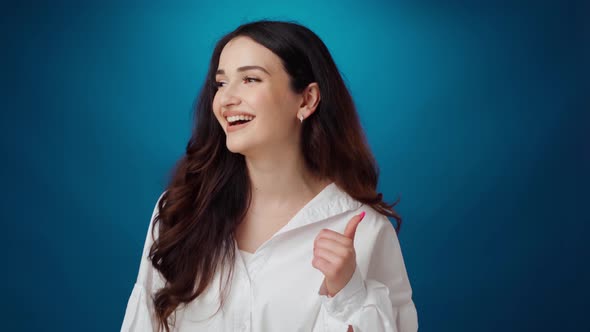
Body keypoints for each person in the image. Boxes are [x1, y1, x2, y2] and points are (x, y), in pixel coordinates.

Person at [121, 20, 418, 332]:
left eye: (250, 79)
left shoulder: (363, 231)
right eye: (220, 84)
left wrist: (349, 293)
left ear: (306, 100)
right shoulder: (181, 212)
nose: (226, 99)